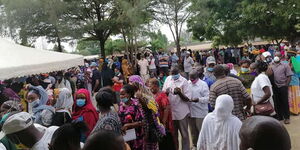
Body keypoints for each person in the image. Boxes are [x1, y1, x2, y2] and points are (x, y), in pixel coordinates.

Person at [128, 75, 165, 150]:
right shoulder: (133, 96)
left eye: (130, 82)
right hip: (138, 129)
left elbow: (151, 111)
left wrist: (140, 99)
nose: (129, 84)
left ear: (135, 84)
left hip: (148, 128)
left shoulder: (145, 95)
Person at [162, 66, 191, 150]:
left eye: (175, 74)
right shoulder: (168, 79)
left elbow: (187, 99)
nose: (173, 75)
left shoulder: (184, 81)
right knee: (174, 135)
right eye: (172, 73)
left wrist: (179, 93)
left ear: (178, 72)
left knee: (184, 135)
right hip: (171, 113)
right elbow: (164, 94)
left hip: (182, 113)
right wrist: (167, 92)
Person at [149, 78, 175, 150]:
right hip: (157, 122)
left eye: (150, 86)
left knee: (166, 141)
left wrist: (163, 122)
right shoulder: (153, 95)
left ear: (155, 86)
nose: (149, 87)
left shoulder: (162, 95)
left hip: (163, 122)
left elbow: (166, 108)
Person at [187, 70, 209, 149]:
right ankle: (195, 145)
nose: (191, 80)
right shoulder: (187, 83)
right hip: (190, 112)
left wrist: (199, 99)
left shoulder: (203, 85)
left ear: (197, 77)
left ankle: (204, 146)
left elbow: (208, 98)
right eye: (190, 78)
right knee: (193, 131)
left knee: (201, 131)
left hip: (200, 112)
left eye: (193, 78)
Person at [118, 84, 144, 150]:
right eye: (120, 94)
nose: (121, 96)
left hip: (136, 136)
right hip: (125, 136)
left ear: (129, 94)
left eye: (123, 94)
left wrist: (128, 125)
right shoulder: (121, 105)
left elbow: (142, 122)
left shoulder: (136, 105)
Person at [271, 53, 293, 124]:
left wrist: (286, 85)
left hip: (283, 86)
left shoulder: (285, 65)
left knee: (284, 102)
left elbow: (289, 76)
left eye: (278, 56)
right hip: (274, 87)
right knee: (276, 102)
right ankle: (279, 117)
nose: (276, 57)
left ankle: (287, 117)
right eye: (275, 55)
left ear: (281, 57)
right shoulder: (270, 65)